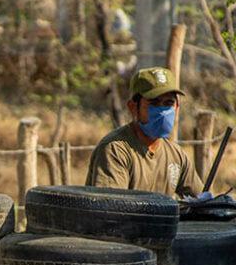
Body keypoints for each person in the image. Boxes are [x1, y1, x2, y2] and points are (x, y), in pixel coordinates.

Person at [86, 67, 203, 197]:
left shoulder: (177, 156)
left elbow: (202, 201)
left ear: (176, 107)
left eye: (168, 103)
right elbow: (111, 208)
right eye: (154, 103)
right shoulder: (116, 150)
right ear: (133, 107)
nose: (163, 111)